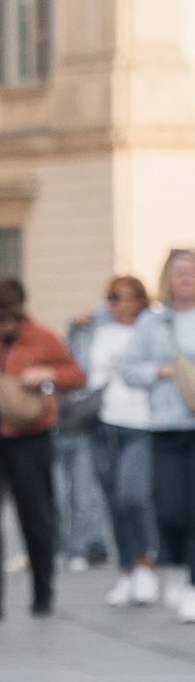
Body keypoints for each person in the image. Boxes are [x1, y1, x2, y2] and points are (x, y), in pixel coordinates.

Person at [0, 275, 81, 617]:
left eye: (12, 315)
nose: (6, 323)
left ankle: (43, 592)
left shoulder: (42, 337)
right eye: (1, 316)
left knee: (36, 517)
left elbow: (75, 376)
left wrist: (46, 375)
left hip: (29, 437)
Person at [80, 275, 159, 605]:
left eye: (125, 297)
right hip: (104, 424)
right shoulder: (99, 330)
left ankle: (144, 564)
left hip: (141, 423)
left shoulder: (153, 329)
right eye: (112, 297)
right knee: (113, 501)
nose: (118, 304)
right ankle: (127, 570)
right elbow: (86, 373)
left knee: (133, 496)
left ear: (140, 300)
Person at [124, 250, 195, 618]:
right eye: (179, 273)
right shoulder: (153, 323)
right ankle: (179, 564)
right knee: (169, 510)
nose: (185, 279)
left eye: (191, 273)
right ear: (168, 278)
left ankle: (194, 586)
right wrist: (161, 372)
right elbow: (129, 370)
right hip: (166, 427)